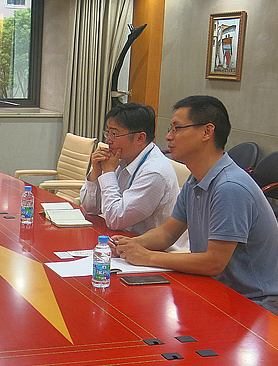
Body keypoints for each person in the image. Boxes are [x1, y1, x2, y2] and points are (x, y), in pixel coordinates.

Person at [113, 95, 278, 315]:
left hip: (252, 302)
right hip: (214, 288)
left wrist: (147, 256)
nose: (168, 136)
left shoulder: (230, 187)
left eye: (177, 128)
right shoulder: (195, 180)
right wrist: (128, 246)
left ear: (207, 132)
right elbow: (166, 233)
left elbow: (213, 262)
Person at [80, 103, 183, 241]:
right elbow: (90, 209)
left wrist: (109, 173)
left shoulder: (154, 172)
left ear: (140, 138)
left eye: (114, 134)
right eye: (107, 133)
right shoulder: (123, 158)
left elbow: (115, 220)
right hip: (126, 239)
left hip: (154, 249)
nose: (108, 140)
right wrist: (96, 172)